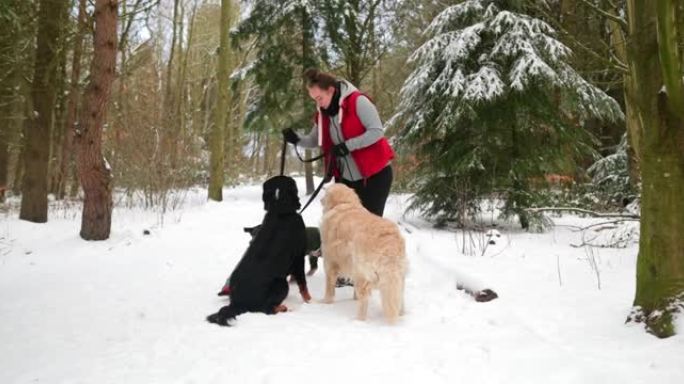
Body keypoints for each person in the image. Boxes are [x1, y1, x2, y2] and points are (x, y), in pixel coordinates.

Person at [282, 68, 395, 217]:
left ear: (330, 90)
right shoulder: (323, 114)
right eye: (314, 99)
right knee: (346, 226)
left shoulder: (358, 101)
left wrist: (348, 146)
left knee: (368, 227)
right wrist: (296, 139)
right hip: (346, 180)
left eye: (319, 98)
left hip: (374, 176)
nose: (318, 103)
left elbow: (376, 131)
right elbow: (314, 140)